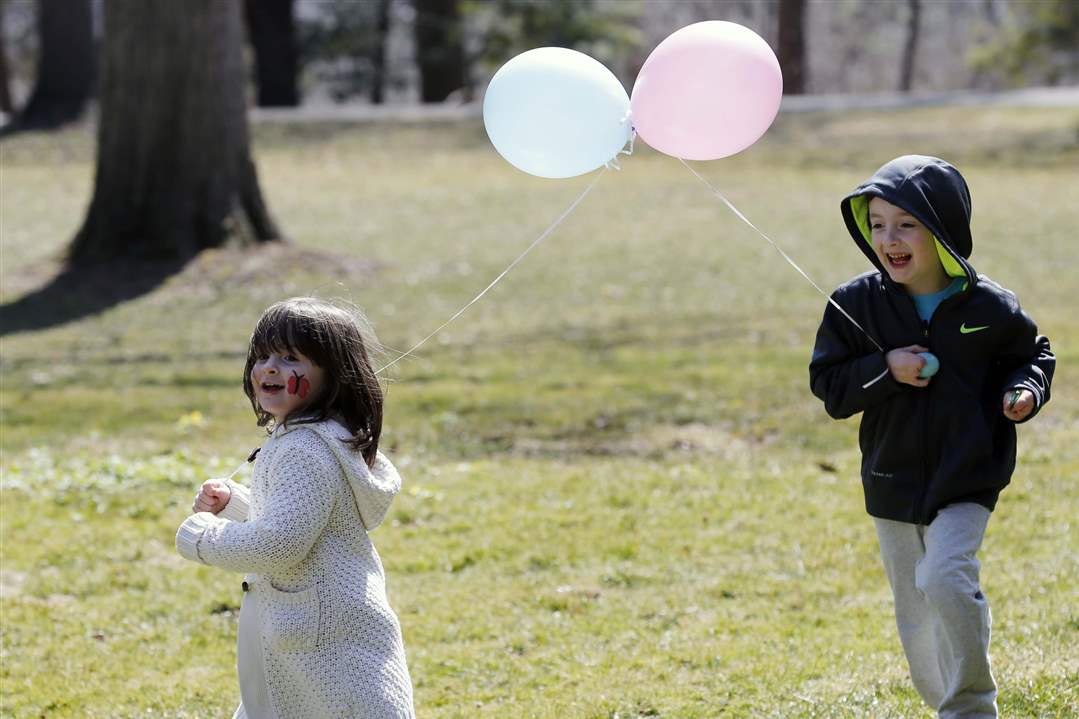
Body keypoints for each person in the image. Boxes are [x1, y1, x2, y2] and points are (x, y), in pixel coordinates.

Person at [809, 155, 1054, 718]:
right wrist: (885, 370)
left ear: (941, 229)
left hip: (968, 475)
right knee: (916, 611)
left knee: (945, 577)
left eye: (906, 224)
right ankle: (945, 703)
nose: (888, 238)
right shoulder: (855, 304)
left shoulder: (989, 306)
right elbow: (829, 387)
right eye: (876, 224)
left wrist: (1025, 393)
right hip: (892, 482)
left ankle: (972, 707)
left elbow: (1033, 356)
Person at [176, 298, 414, 719]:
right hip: (316, 627)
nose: (270, 368)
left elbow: (280, 543)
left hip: (319, 637)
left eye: (290, 358)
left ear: (333, 376)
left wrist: (202, 537)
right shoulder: (324, 437)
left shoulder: (303, 449)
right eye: (263, 355)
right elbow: (311, 519)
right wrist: (236, 505)